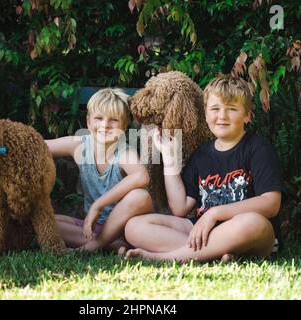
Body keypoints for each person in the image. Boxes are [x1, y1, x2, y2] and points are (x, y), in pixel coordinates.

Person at [124, 74, 283, 262]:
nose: (222, 116)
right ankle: (215, 253)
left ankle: (168, 257)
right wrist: (169, 159)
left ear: (247, 115)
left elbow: (271, 204)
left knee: (253, 222)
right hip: (202, 229)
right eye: (215, 108)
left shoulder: (257, 148)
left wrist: (215, 214)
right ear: (206, 114)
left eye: (231, 109)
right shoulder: (202, 155)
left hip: (244, 231)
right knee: (134, 226)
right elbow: (180, 208)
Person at [45, 88, 153, 254]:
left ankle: (90, 248)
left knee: (140, 196)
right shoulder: (79, 145)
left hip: (125, 225)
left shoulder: (124, 152)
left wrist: (98, 205)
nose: (105, 125)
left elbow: (141, 176)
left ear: (124, 126)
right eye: (99, 118)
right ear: (88, 122)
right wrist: (1, 145)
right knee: (45, 221)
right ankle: (110, 244)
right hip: (94, 228)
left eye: (114, 120)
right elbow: (37, 146)